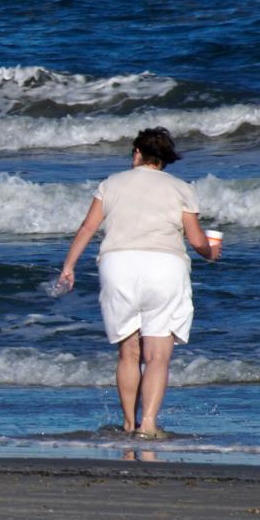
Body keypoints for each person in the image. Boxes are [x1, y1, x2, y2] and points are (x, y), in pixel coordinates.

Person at [55, 128, 220, 439]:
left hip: (118, 266)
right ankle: (148, 426)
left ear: (137, 153)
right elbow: (197, 241)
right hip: (165, 267)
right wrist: (212, 253)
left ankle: (129, 424)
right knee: (157, 355)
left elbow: (88, 227)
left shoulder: (110, 184)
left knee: (128, 352)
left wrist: (69, 266)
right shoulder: (181, 188)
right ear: (165, 159)